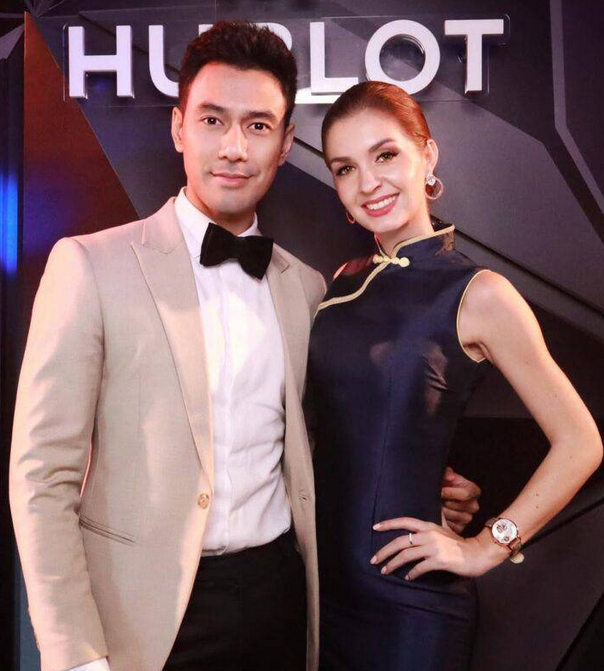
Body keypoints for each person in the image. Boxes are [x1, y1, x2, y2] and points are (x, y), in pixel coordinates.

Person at [10, 23, 481, 671]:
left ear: (284, 144)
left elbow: (331, 443)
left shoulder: (308, 288)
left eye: (258, 126)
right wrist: (75, 655)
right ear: (179, 128)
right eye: (213, 120)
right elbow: (42, 476)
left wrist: (424, 487)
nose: (234, 148)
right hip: (143, 618)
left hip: (281, 602)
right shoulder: (90, 265)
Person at [309, 79, 603, 671]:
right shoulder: (341, 281)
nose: (368, 183)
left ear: (428, 155)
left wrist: (485, 546)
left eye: (385, 155)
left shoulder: (478, 293)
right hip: (323, 599)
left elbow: (581, 442)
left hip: (410, 608)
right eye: (345, 168)